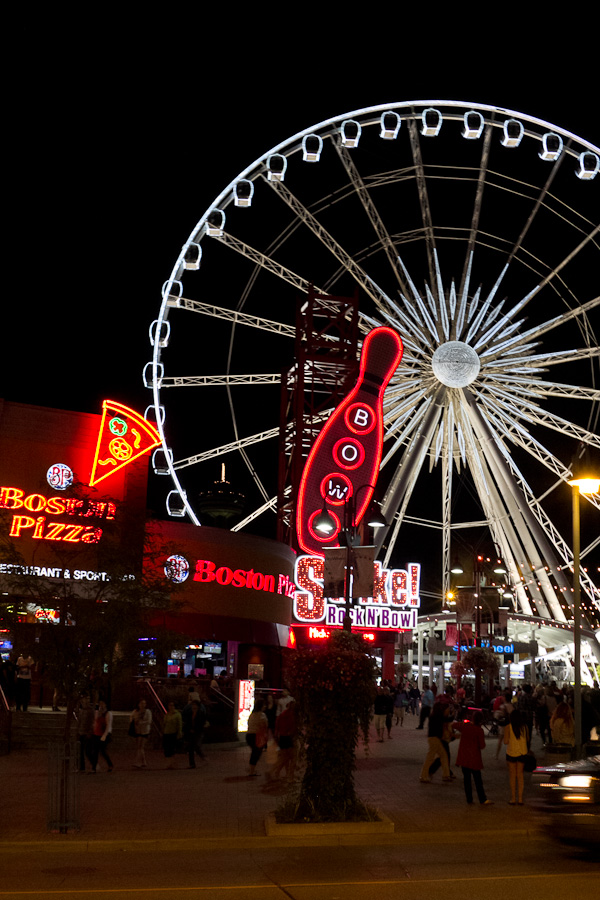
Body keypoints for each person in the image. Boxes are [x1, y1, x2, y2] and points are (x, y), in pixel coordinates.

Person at [454, 711, 493, 805]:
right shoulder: (479, 730)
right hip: (474, 758)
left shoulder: (465, 726)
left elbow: (454, 724)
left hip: (464, 757)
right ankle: (482, 799)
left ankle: (469, 799)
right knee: (478, 780)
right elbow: (482, 746)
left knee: (466, 780)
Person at [419, 702, 452, 783]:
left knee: (443, 756)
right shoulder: (438, 716)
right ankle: (423, 776)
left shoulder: (434, 715)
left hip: (433, 738)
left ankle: (446, 775)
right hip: (434, 739)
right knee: (431, 757)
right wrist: (454, 713)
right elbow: (448, 719)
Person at [503, 708, 529, 805]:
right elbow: (527, 739)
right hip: (522, 752)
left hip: (511, 752)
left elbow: (505, 741)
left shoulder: (508, 727)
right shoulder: (524, 727)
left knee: (512, 776)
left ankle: (513, 798)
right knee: (520, 775)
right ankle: (520, 798)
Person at [89, 700, 114, 773]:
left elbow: (108, 725)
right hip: (96, 733)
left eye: (103, 704)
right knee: (95, 751)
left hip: (103, 734)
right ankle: (94, 768)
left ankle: (110, 764)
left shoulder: (108, 714)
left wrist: (104, 735)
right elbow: (95, 721)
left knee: (102, 751)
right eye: (100, 704)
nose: (101, 705)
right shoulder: (98, 712)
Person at [246, 699, 268, 776]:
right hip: (256, 736)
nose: (265, 706)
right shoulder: (262, 715)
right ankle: (251, 771)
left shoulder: (252, 715)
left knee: (255, 752)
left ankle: (252, 769)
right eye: (264, 705)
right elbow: (264, 725)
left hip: (249, 735)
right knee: (256, 753)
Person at [182, 699, 207, 767]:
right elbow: (187, 722)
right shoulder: (189, 713)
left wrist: (195, 729)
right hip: (191, 732)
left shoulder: (200, 714)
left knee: (196, 745)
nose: (194, 707)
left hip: (198, 732)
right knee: (190, 747)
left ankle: (203, 757)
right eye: (193, 705)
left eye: (195, 705)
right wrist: (188, 729)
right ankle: (192, 764)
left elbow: (201, 723)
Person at [130, 699, 152, 768]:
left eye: (144, 703)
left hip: (145, 731)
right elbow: (131, 717)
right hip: (138, 730)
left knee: (141, 746)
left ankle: (138, 761)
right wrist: (134, 721)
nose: (143, 705)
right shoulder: (135, 711)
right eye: (141, 703)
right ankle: (143, 762)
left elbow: (149, 721)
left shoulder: (148, 712)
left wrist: (141, 722)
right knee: (140, 747)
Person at [76, 695, 95, 772]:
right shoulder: (82, 710)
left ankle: (93, 765)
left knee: (87, 751)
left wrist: (89, 732)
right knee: (80, 750)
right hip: (81, 732)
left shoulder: (90, 711)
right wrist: (78, 731)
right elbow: (79, 721)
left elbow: (91, 722)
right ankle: (81, 767)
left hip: (87, 733)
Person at [162, 701, 183, 769]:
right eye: (169, 705)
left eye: (172, 705)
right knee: (167, 749)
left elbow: (179, 724)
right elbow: (164, 723)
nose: (171, 707)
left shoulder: (177, 714)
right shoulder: (167, 714)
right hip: (166, 733)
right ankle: (169, 763)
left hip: (173, 733)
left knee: (172, 749)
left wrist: (179, 733)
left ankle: (172, 763)